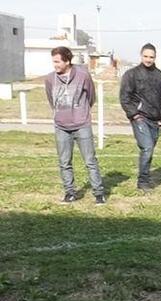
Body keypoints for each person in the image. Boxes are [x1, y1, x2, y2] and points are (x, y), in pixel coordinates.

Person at [45, 46, 105, 204]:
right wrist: (60, 114)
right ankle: (70, 193)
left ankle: (98, 193)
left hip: (82, 125)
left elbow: (91, 97)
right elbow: (52, 100)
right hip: (61, 126)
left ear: (67, 60)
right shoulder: (50, 79)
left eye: (58, 61)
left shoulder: (83, 75)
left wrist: (81, 112)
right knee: (64, 162)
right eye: (53, 62)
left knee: (90, 161)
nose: (55, 65)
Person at [120, 43, 161, 191]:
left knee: (149, 149)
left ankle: (144, 175)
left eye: (151, 57)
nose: (148, 59)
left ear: (155, 58)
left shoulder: (160, 76)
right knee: (147, 148)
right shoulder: (131, 74)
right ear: (141, 56)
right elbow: (124, 97)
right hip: (140, 117)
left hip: (155, 120)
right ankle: (143, 182)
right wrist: (134, 114)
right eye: (146, 56)